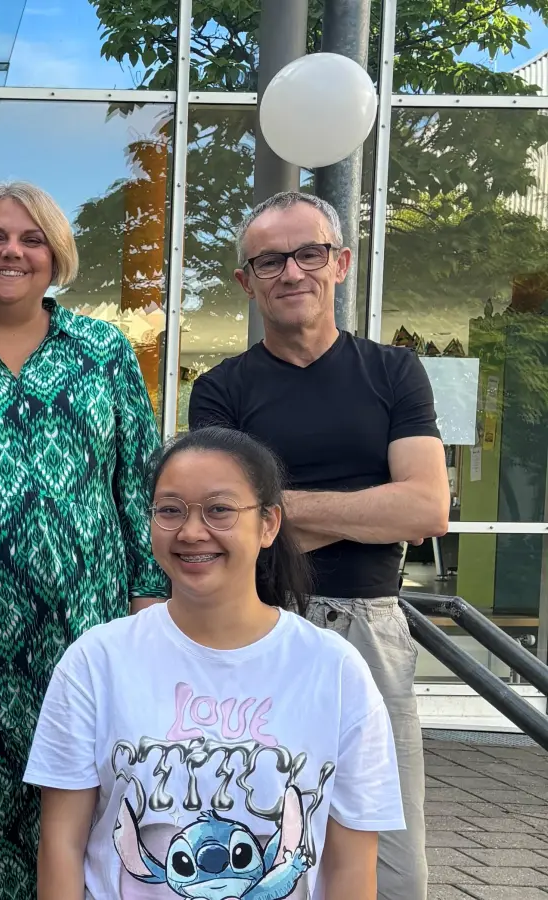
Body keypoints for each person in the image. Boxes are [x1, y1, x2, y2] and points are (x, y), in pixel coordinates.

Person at [0, 180, 169, 898]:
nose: (12, 251)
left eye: (32, 239)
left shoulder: (104, 352)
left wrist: (151, 605)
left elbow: (140, 484)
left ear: (56, 256)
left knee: (83, 807)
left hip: (85, 635)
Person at [188, 190, 448, 900]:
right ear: (247, 280)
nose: (291, 272)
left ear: (340, 263)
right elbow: (217, 523)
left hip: (369, 625)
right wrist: (370, 508)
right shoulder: (221, 392)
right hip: (258, 629)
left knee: (392, 862)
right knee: (251, 840)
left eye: (309, 253)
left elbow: (426, 506)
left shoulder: (394, 373)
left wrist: (272, 511)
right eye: (269, 260)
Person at [24, 426, 404, 900]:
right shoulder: (95, 662)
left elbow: (351, 869)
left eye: (219, 510)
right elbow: (61, 845)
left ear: (269, 524)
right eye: (170, 510)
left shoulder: (335, 671)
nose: (190, 531)